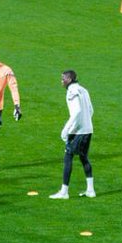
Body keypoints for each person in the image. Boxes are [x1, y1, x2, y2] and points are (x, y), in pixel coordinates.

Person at [50, 70, 95, 199]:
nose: (61, 81)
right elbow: (91, 110)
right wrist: (86, 123)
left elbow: (76, 111)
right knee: (83, 157)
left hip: (78, 131)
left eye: (63, 78)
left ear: (69, 79)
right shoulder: (83, 90)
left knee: (68, 157)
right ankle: (90, 190)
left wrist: (67, 128)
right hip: (88, 129)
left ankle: (64, 192)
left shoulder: (71, 92)